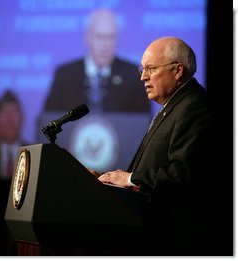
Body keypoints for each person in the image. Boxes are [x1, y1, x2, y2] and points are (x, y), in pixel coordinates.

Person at [90, 36, 219, 255]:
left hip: (176, 242)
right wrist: (105, 178)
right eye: (143, 69)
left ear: (178, 70)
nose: (143, 77)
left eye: (150, 68)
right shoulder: (175, 106)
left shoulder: (194, 107)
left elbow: (182, 172)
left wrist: (130, 178)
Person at [43, 8, 150, 113]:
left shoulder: (133, 76)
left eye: (110, 37)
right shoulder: (65, 75)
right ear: (87, 38)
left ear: (117, 40)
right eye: (99, 37)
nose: (105, 45)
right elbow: (48, 120)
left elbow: (144, 123)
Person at [0, 90, 29, 179]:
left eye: (14, 113)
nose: (9, 119)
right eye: (5, 113)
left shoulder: (36, 155)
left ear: (22, 119)